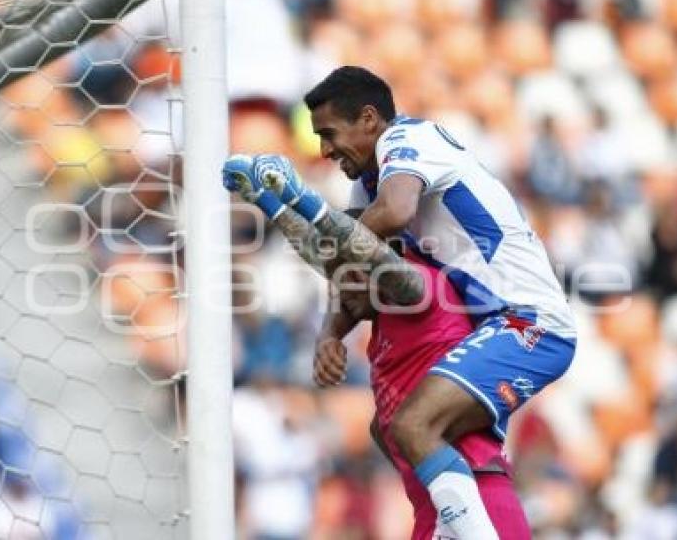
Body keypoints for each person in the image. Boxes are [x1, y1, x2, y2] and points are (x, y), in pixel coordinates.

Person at [235, 64, 577, 538]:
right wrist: (332, 331)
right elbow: (362, 269)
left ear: (370, 119)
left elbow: (388, 223)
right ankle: (450, 519)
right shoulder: (373, 184)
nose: (324, 149)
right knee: (390, 427)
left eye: (329, 133)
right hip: (491, 323)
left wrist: (305, 209)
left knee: (414, 424)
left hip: (529, 323)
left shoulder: (408, 142)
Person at [223, 154, 531, 538]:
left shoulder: (424, 287)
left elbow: (373, 259)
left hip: (477, 499)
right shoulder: (384, 325)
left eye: (353, 279)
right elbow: (328, 259)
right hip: (436, 505)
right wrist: (267, 202)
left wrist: (298, 196)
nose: (342, 293)